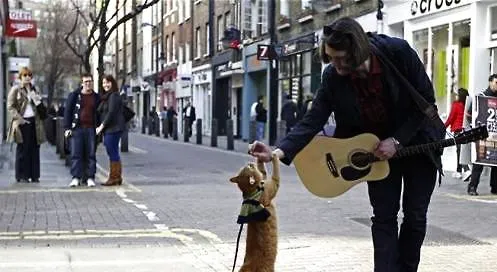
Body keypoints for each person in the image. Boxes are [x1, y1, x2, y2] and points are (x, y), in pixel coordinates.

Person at [249, 17, 444, 272]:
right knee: (384, 218)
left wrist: (397, 141)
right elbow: (313, 118)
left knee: (415, 217)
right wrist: (276, 152)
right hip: (376, 153)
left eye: (341, 58)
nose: (335, 64)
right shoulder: (333, 76)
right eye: (331, 58)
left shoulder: (398, 53)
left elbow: (427, 103)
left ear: (358, 49)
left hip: (417, 142)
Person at [7, 67, 46, 183]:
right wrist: (19, 118)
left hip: (35, 123)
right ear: (20, 77)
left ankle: (34, 175)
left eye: (29, 75)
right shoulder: (16, 90)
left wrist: (36, 99)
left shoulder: (35, 89)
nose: (27, 77)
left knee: (35, 149)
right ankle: (22, 175)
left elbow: (40, 106)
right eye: (25, 75)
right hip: (22, 123)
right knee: (23, 150)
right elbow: (10, 106)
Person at [64, 73, 100, 187]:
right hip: (77, 129)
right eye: (86, 82)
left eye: (90, 81)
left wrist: (99, 127)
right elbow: (68, 112)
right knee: (76, 154)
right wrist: (67, 128)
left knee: (91, 154)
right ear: (82, 83)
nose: (88, 84)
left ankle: (90, 177)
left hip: (91, 129)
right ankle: (76, 177)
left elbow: (99, 113)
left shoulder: (96, 97)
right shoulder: (74, 95)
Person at [467, 74, 497, 196]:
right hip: (482, 135)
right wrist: (474, 128)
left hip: (494, 135)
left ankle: (495, 187)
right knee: (479, 161)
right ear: (490, 82)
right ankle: (472, 187)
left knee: (495, 162)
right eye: (496, 82)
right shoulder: (480, 98)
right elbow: (469, 115)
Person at [96, 75, 125, 186]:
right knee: (112, 151)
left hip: (113, 128)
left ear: (112, 83)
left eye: (108, 82)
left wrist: (101, 126)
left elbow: (111, 113)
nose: (105, 85)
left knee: (112, 151)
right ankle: (116, 177)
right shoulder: (107, 97)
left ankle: (114, 177)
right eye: (103, 83)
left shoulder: (113, 96)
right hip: (111, 128)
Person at [445, 88, 471, 179]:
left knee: (460, 152)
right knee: (460, 150)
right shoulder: (468, 105)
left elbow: (451, 118)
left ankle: (466, 170)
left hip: (458, 131)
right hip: (466, 130)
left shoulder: (456, 105)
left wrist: (443, 127)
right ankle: (459, 171)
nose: (456, 96)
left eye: (457, 94)